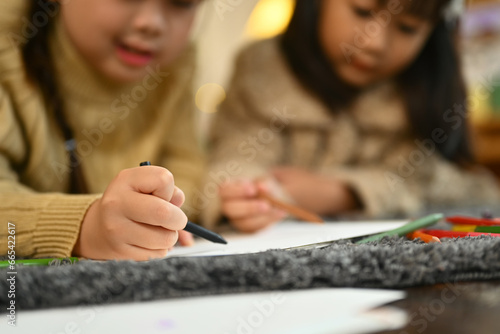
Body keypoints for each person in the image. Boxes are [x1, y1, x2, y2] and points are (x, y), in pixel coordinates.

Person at [203, 0, 500, 232]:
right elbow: (232, 158)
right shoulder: (260, 71)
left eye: (408, 28)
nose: (374, 42)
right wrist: (246, 196)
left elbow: (432, 183)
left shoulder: (424, 98)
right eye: (362, 11)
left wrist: (343, 193)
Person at [0, 0, 205, 260]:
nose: (152, 23)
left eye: (183, 2)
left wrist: (165, 214)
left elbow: (186, 160)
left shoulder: (176, 62)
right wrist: (84, 225)